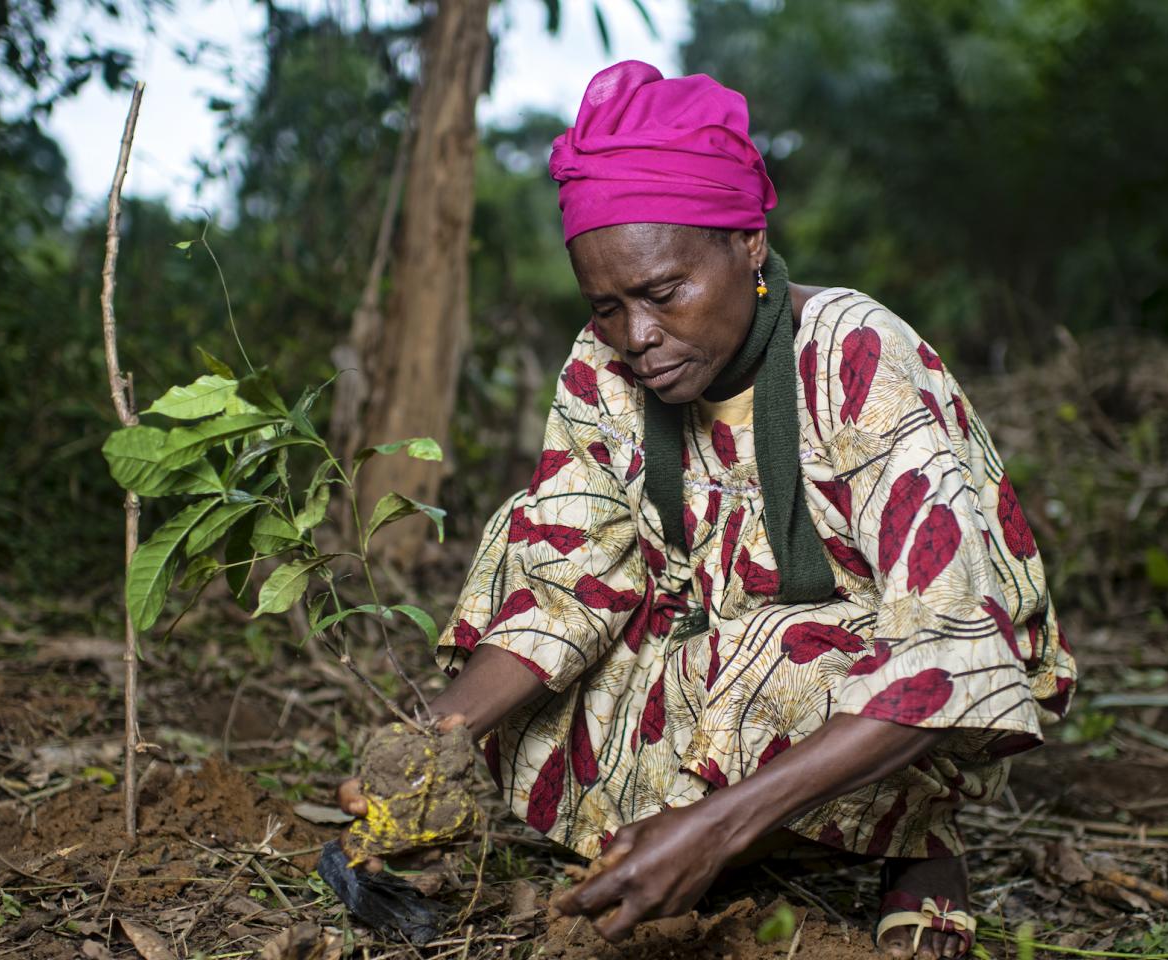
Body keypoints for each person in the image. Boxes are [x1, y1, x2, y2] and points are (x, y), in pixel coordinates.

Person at [344, 60, 1076, 959]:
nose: (637, 336)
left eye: (662, 294)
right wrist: (436, 742)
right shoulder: (603, 365)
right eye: (606, 306)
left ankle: (915, 847)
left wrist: (714, 830)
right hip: (706, 661)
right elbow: (565, 575)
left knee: (788, 662)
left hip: (853, 677)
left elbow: (954, 638)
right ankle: (735, 835)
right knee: (520, 560)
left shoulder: (855, 356)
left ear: (749, 245)